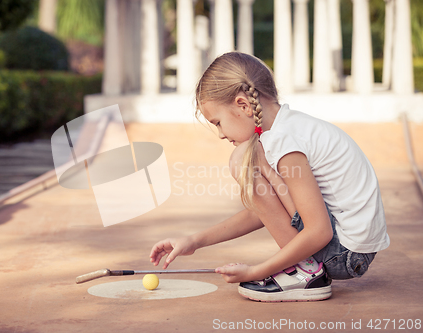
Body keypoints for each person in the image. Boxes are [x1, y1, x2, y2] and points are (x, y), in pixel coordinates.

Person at [149, 52, 390, 302]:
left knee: (243, 158)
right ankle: (305, 267)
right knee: (248, 155)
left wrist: (257, 271)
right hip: (350, 248)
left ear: (243, 104)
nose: (220, 134)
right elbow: (266, 210)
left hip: (344, 253)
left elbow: (319, 231)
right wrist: (194, 241)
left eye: (218, 122)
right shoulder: (289, 128)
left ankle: (307, 272)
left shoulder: (282, 141)